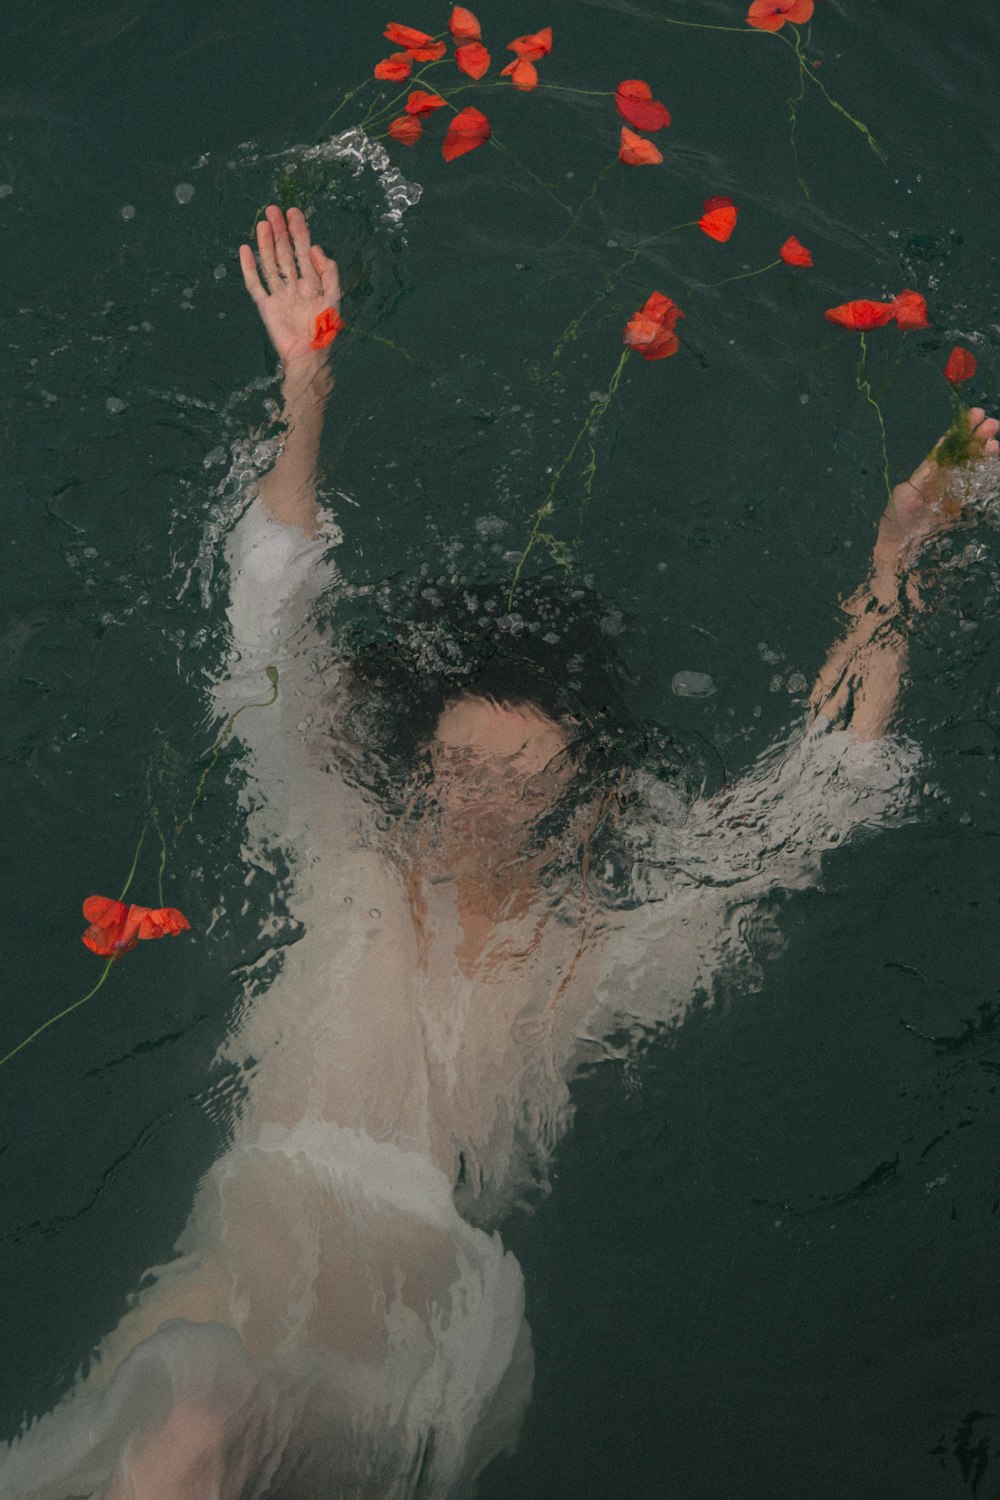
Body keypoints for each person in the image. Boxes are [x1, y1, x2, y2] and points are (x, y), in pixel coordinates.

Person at [1, 206, 997, 1500]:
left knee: (192, 1420)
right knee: (183, 1409)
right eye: (461, 773)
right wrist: (305, 391)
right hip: (239, 1277)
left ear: (589, 802)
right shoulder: (335, 849)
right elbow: (269, 623)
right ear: (413, 763)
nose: (480, 810)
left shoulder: (601, 951)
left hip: (422, 1338)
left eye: (523, 788)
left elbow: (817, 803)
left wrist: (897, 561)